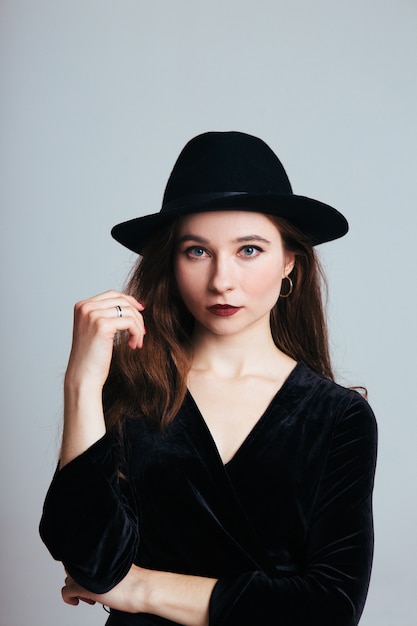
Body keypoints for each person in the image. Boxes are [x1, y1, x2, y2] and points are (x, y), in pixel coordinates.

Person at [39, 131, 377, 626]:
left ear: (289, 263)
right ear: (171, 264)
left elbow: (329, 609)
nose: (222, 280)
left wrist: (141, 586)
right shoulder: (133, 391)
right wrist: (82, 382)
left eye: (249, 250)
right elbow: (90, 560)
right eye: (197, 251)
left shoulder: (338, 418)